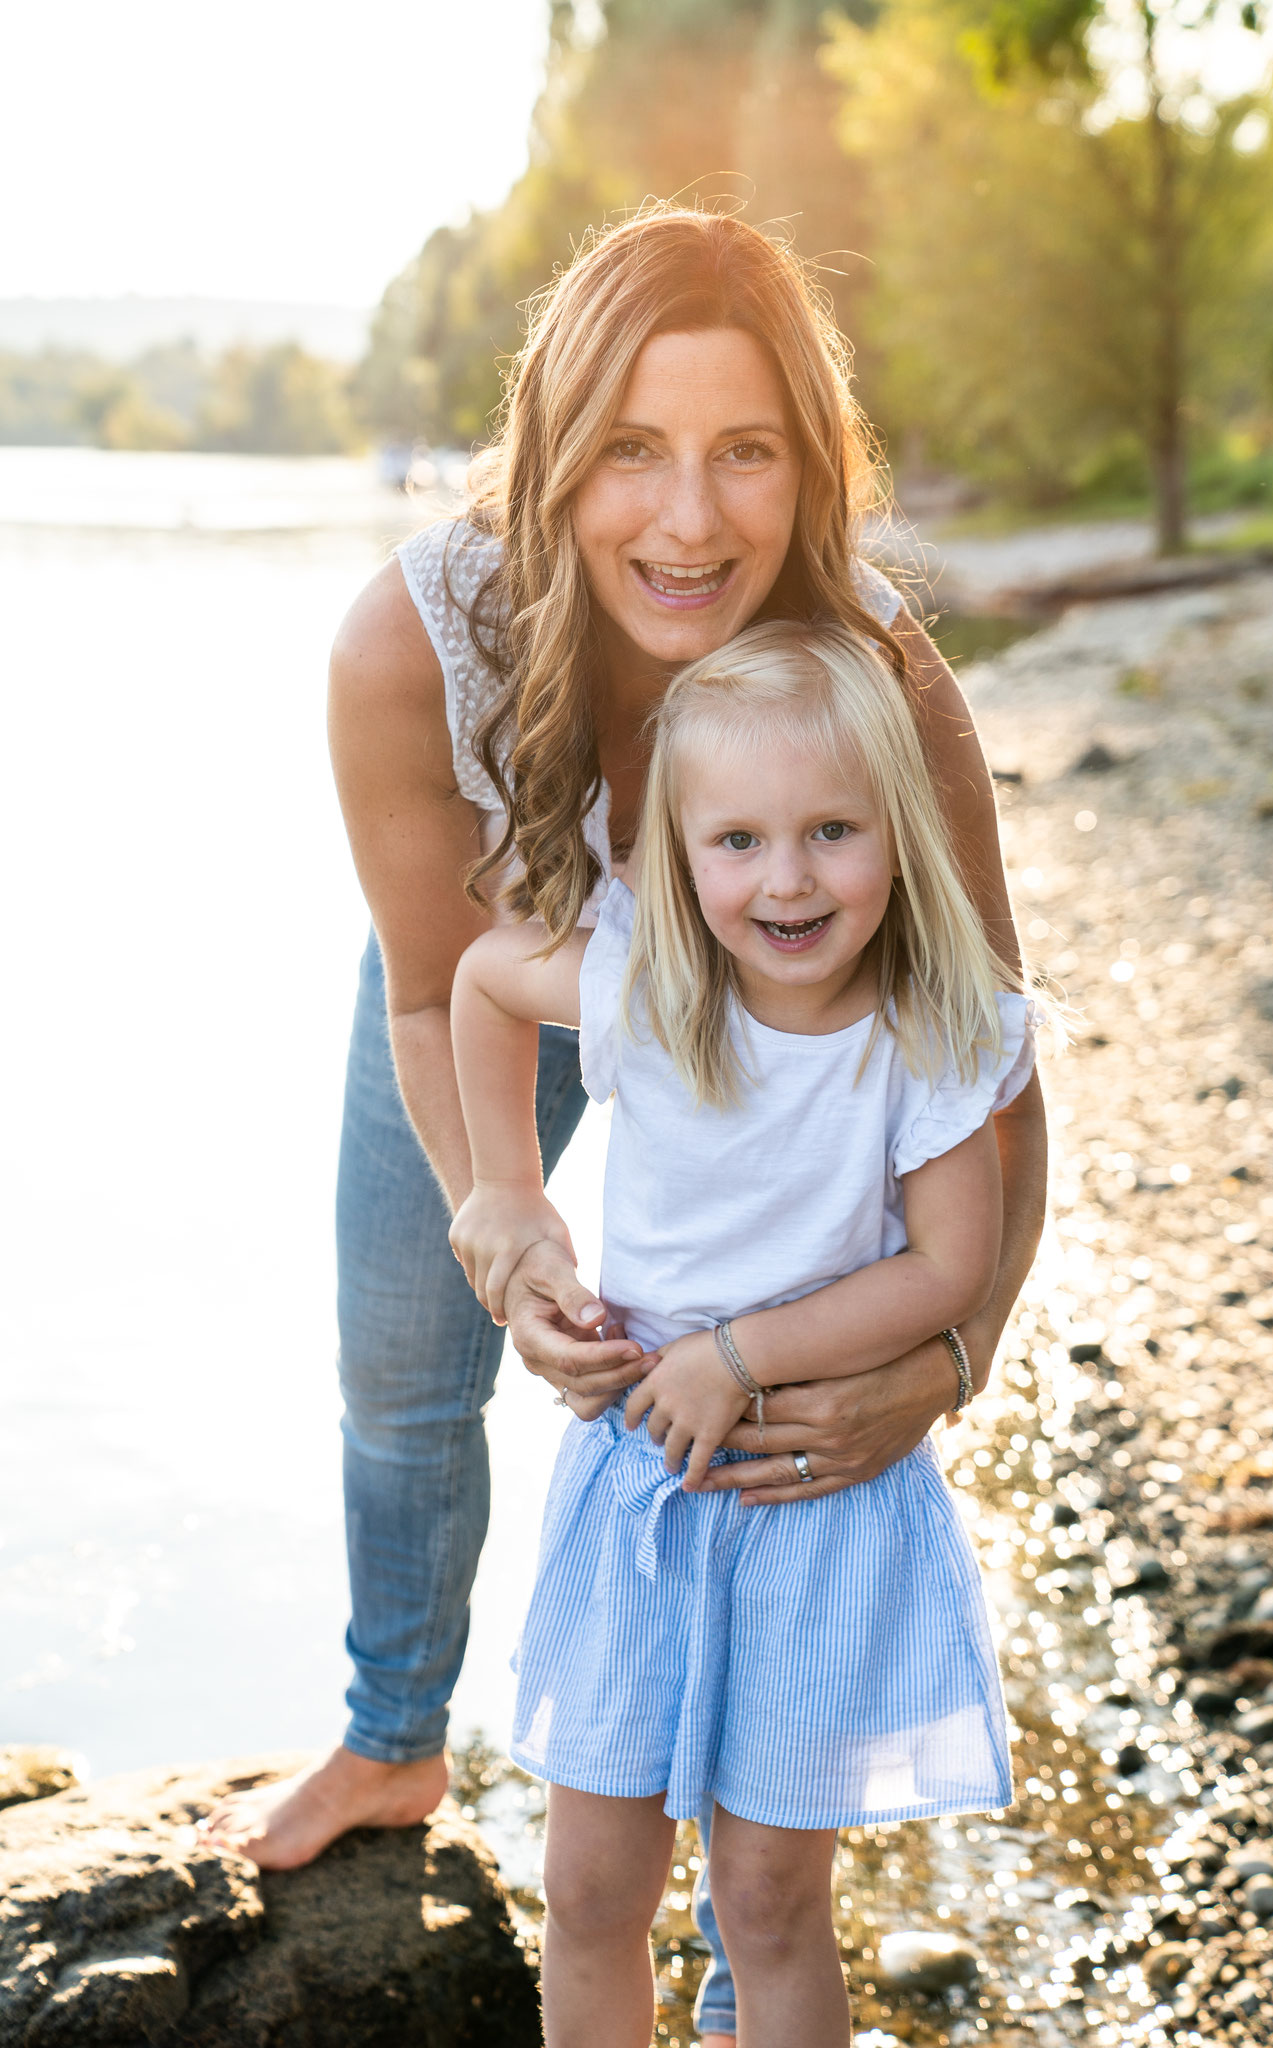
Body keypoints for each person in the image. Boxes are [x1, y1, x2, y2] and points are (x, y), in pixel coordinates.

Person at [202, 205, 1048, 2048]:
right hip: (513, 966)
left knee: (815, 1366)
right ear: (550, 456)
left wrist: (954, 1355)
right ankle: (390, 1738)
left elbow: (989, 1065)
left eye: (745, 451)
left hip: (772, 987)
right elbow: (444, 990)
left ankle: (774, 1869)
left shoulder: (880, 684)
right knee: (409, 1349)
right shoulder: (410, 641)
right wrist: (502, 1206)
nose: (687, 520)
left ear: (808, 469)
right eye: (630, 454)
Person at [449, 621, 1035, 2048]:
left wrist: (739, 1355)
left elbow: (951, 1269)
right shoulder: (646, 984)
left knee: (769, 1906)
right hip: (639, 1480)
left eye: (831, 831)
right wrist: (509, 1192)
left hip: (813, 1499)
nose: (785, 878)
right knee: (589, 1887)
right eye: (737, 841)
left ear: (896, 833)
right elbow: (475, 981)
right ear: (670, 852)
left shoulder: (930, 1030)